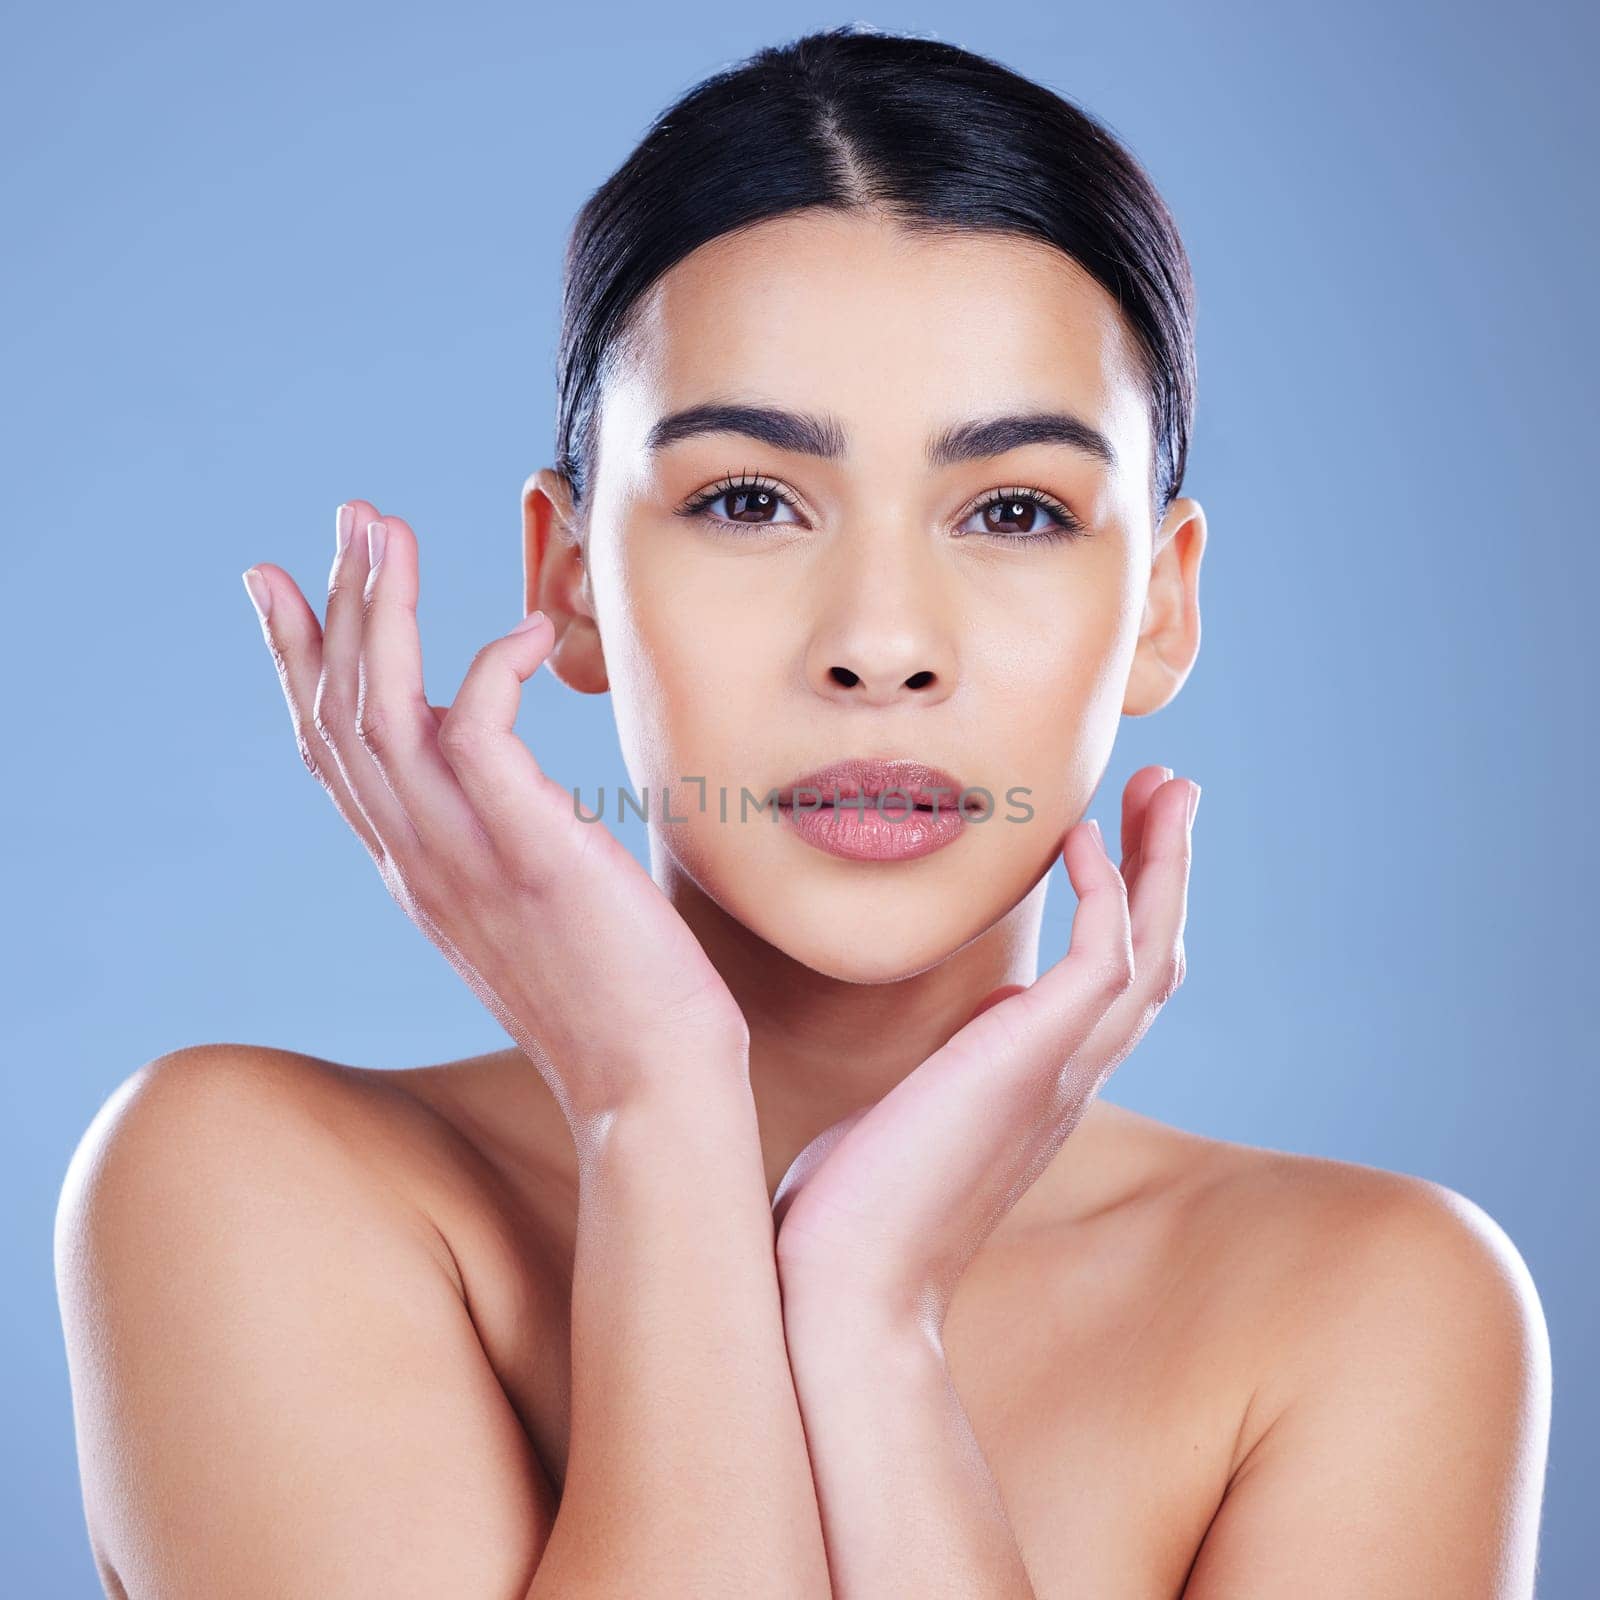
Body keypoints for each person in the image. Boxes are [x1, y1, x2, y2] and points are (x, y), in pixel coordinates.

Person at [54, 22, 1551, 1599]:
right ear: (566, 583)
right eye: (749, 499)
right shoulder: (251, 1185)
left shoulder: (1371, 1307)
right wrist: (657, 1113)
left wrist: (867, 1317)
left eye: (1017, 508)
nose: (883, 645)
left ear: (1164, 608)